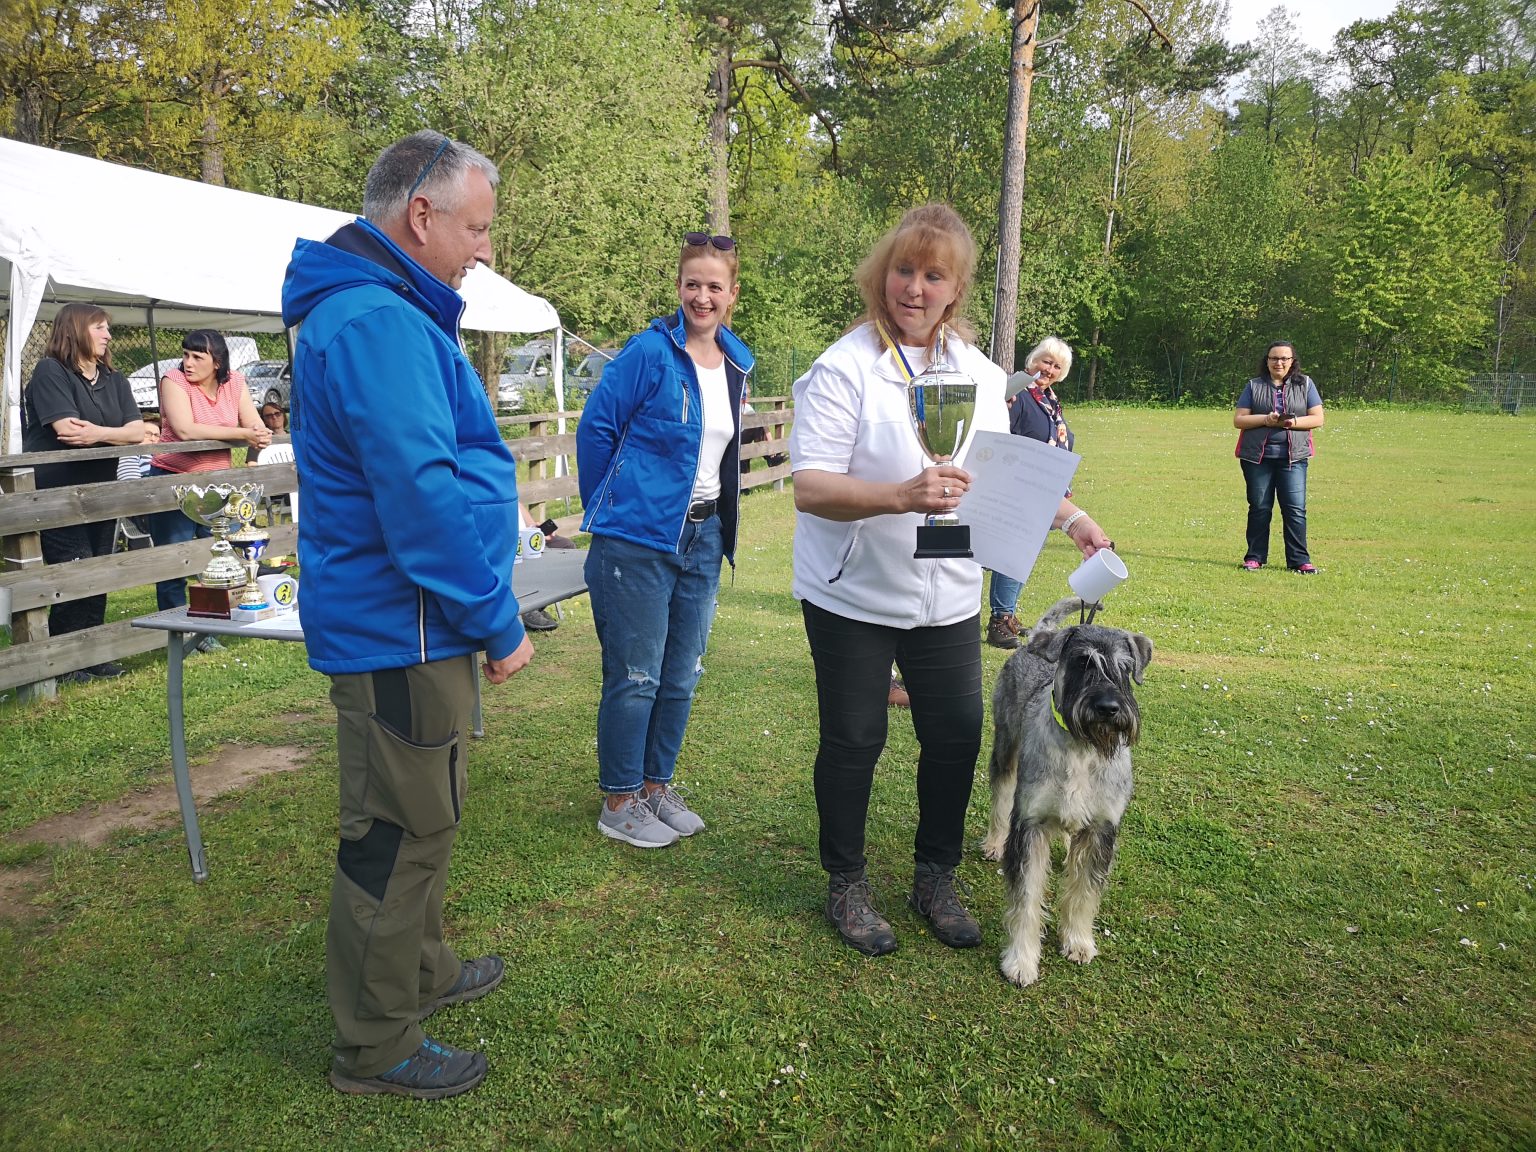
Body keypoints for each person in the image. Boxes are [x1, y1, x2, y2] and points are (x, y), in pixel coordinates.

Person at [281, 129, 533, 1100]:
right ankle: (377, 1045)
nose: (482, 249)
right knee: (395, 831)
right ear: (418, 216)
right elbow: (421, 500)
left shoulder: (377, 310)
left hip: (413, 627)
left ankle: (421, 972)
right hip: (405, 627)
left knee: (427, 814)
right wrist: (497, 619)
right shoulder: (377, 322)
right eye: (475, 228)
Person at [788, 204, 1113, 958]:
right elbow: (810, 487)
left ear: (956, 288)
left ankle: (934, 876)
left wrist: (1076, 521)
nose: (915, 287)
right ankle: (847, 883)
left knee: (956, 736)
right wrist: (904, 494)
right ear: (882, 275)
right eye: (904, 269)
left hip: (945, 593)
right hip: (853, 595)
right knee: (854, 739)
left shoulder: (974, 372)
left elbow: (1011, 474)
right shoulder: (844, 367)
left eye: (934, 275)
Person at [576, 231, 753, 849]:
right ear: (679, 287)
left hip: (704, 538)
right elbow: (596, 429)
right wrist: (615, 508)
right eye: (692, 284)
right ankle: (620, 798)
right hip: (639, 539)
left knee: (682, 673)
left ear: (732, 293)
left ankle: (656, 785)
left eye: (714, 286)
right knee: (636, 674)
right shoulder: (648, 354)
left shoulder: (736, 363)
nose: (702, 296)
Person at [22, 303, 146, 681]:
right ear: (76, 330)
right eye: (100, 328)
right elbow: (66, 430)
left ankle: (92, 655)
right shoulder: (50, 372)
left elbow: (137, 431)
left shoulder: (115, 379)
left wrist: (98, 433)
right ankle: (63, 660)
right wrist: (109, 433)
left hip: (101, 491)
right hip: (57, 493)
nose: (108, 335)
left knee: (101, 570)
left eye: (108, 328)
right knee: (74, 570)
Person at [145, 330, 271, 615]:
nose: (187, 362)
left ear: (216, 362)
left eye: (197, 357)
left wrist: (256, 445)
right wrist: (243, 433)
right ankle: (178, 627)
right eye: (185, 354)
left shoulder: (235, 382)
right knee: (175, 562)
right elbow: (185, 429)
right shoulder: (173, 380)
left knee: (226, 553)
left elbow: (255, 425)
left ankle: (221, 616)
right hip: (173, 480)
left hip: (218, 484)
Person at [985, 336, 1089, 649]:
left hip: (1044, 490)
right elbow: (1001, 435)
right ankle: (999, 619)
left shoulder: (1050, 401)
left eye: (1057, 365)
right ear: (1033, 361)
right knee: (1012, 553)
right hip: (1017, 486)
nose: (1050, 368)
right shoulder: (1018, 395)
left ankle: (1009, 613)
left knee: (1024, 555)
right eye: (1046, 361)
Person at [1233, 341, 1325, 574]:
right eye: (1274, 358)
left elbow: (1317, 418)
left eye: (1284, 358)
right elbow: (1240, 420)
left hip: (1294, 458)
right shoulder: (1253, 386)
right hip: (1257, 457)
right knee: (1260, 507)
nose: (1279, 362)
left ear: (1293, 361)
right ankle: (1254, 557)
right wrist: (1266, 420)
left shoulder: (1305, 384)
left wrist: (1291, 422)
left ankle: (1299, 560)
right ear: (1267, 361)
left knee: (1295, 508)